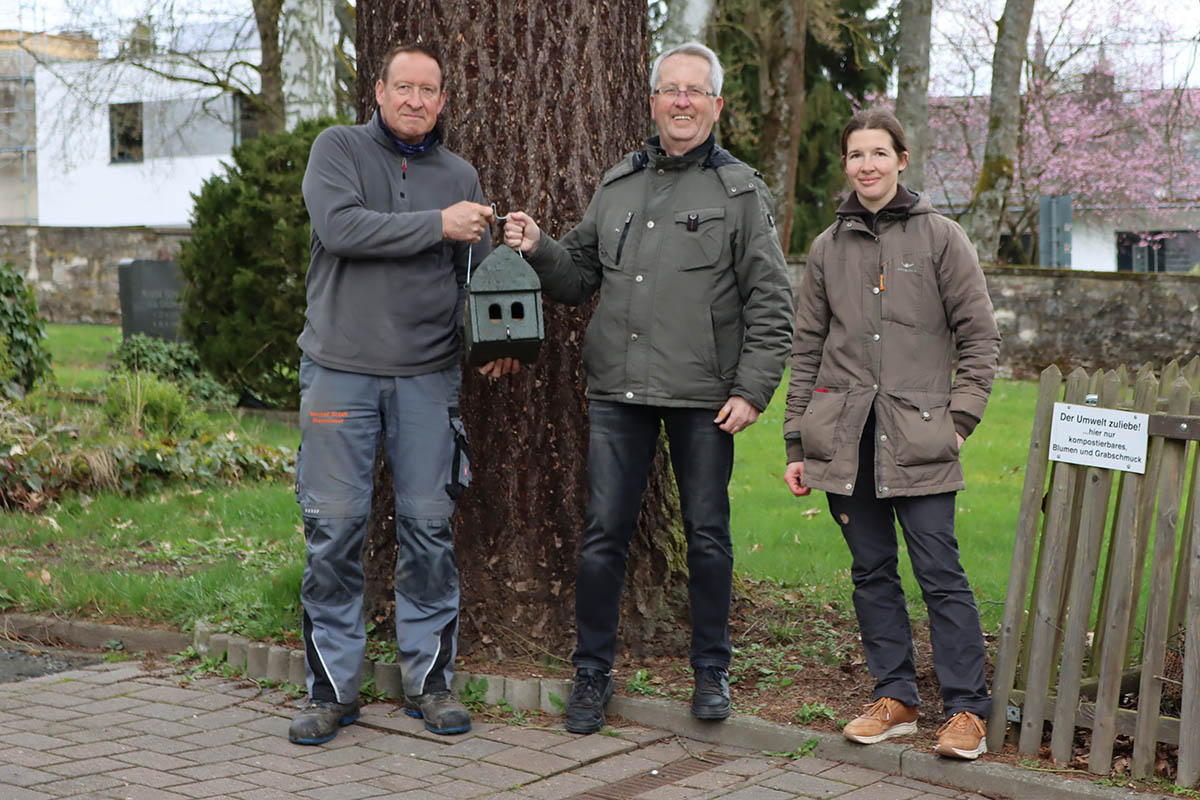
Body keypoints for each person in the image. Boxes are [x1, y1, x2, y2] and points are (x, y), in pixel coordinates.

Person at [503, 42, 794, 735]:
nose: (683, 102)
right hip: (619, 394)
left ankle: (710, 671)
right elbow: (576, 276)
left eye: (697, 91)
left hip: (704, 399)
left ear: (717, 106)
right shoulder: (619, 185)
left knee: (708, 536)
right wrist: (540, 244)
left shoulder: (740, 192)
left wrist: (752, 390)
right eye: (671, 90)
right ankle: (591, 675)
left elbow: (773, 303)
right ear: (655, 102)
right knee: (603, 537)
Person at [288, 42, 516, 746]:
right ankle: (331, 691)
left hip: (427, 377)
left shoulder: (461, 174)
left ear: (443, 100)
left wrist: (497, 336)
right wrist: (437, 224)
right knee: (335, 528)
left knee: (426, 528)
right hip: (338, 370)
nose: (417, 100)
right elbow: (340, 228)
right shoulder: (338, 150)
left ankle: (430, 683)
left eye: (430, 90)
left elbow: (476, 272)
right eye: (404, 87)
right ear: (379, 92)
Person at [782, 108, 1000, 760]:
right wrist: (796, 441)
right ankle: (897, 699)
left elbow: (980, 336)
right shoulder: (827, 248)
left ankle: (966, 712)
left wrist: (960, 420)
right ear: (845, 164)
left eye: (879, 152)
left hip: (922, 440)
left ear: (902, 159)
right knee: (871, 571)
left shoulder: (940, 238)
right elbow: (806, 350)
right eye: (856, 155)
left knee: (940, 571)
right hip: (846, 442)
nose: (867, 165)